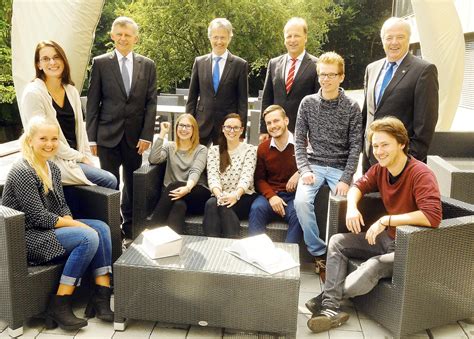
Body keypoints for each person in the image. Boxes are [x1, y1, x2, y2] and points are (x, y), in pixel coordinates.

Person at [305, 116, 442, 333]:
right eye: (375, 145)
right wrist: (351, 207)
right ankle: (331, 308)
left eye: (385, 144)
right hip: (387, 239)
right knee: (337, 241)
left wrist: (387, 220)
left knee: (374, 265)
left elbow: (432, 216)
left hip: (412, 249)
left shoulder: (420, 173)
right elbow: (357, 187)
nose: (379, 151)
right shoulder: (380, 169)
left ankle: (327, 302)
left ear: (402, 143)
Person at [1, 116, 114, 330]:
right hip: (27, 237)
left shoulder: (52, 168)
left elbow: (61, 205)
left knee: (102, 228)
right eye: (43, 138)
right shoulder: (23, 170)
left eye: (54, 139)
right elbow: (37, 217)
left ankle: (101, 295)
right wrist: (78, 227)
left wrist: (71, 220)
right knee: (88, 236)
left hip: (49, 229)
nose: (50, 144)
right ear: (30, 140)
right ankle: (59, 303)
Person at [86, 16, 157, 240]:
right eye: (119, 34)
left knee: (133, 184)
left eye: (128, 35)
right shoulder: (100, 63)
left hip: (135, 138)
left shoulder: (147, 65)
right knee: (109, 183)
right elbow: (93, 102)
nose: (123, 38)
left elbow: (151, 102)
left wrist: (147, 134)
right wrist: (91, 139)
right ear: (112, 36)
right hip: (106, 136)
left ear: (135, 38)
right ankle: (111, 228)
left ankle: (130, 228)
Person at [294, 52, 362, 271]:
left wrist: (346, 178)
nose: (326, 79)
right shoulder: (307, 103)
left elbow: (355, 147)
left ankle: (345, 254)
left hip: (339, 168)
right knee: (301, 202)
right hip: (313, 166)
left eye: (331, 75)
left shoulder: (352, 106)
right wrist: (304, 170)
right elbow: (298, 142)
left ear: (341, 77)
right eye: (322, 74)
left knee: (347, 206)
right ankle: (319, 252)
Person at [20, 40, 117, 189]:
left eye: (56, 57)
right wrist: (79, 157)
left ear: (63, 60)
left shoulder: (71, 91)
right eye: (45, 59)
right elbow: (45, 141)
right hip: (49, 160)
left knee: (102, 174)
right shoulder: (33, 94)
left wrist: (86, 157)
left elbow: (81, 132)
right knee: (109, 180)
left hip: (73, 158)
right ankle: (111, 213)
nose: (52, 62)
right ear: (38, 65)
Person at [361, 17, 439, 173]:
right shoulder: (372, 69)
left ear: (409, 39)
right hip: (371, 160)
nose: (394, 42)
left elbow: (425, 126)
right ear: (382, 40)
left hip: (401, 163)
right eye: (389, 37)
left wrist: (407, 163)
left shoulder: (424, 70)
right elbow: (367, 114)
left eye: (400, 37)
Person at [185, 18, 248, 146]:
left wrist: (241, 131)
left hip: (227, 127)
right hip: (201, 124)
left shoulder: (239, 65)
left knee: (223, 164)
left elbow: (242, 101)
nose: (219, 41)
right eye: (215, 37)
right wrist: (188, 123)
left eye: (223, 37)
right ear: (210, 38)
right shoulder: (199, 62)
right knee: (198, 162)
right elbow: (192, 97)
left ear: (229, 38)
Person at [248, 105, 303, 244]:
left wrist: (300, 172)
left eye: (276, 121)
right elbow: (259, 179)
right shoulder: (263, 148)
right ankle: (256, 255)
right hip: (270, 195)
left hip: (293, 197)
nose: (273, 126)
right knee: (256, 209)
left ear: (286, 121)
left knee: (299, 215)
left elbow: (315, 165)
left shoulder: (301, 144)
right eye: (269, 123)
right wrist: (272, 196)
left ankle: (288, 259)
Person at [148, 114, 210, 233]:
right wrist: (162, 134)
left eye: (188, 126)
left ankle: (150, 231)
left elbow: (195, 171)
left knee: (174, 185)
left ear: (194, 130)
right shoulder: (170, 146)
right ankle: (173, 246)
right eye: (181, 125)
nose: (183, 129)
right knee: (178, 205)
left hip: (195, 192)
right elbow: (153, 159)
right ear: (176, 128)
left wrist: (187, 188)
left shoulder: (201, 149)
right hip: (174, 197)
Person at [260, 17, 318, 142]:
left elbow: (318, 104)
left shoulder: (316, 66)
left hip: (304, 135)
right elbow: (267, 98)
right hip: (276, 132)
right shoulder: (274, 63)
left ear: (305, 37)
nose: (292, 40)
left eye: (296, 36)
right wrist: (264, 129)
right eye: (288, 36)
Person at [203, 113, 257, 238]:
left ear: (242, 130)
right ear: (223, 129)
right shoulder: (214, 151)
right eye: (228, 127)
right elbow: (212, 177)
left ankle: (231, 244)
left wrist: (235, 195)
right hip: (220, 195)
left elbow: (246, 177)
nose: (231, 131)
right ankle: (213, 244)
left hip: (243, 196)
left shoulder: (250, 150)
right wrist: (220, 195)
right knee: (212, 203)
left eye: (235, 127)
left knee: (223, 206)